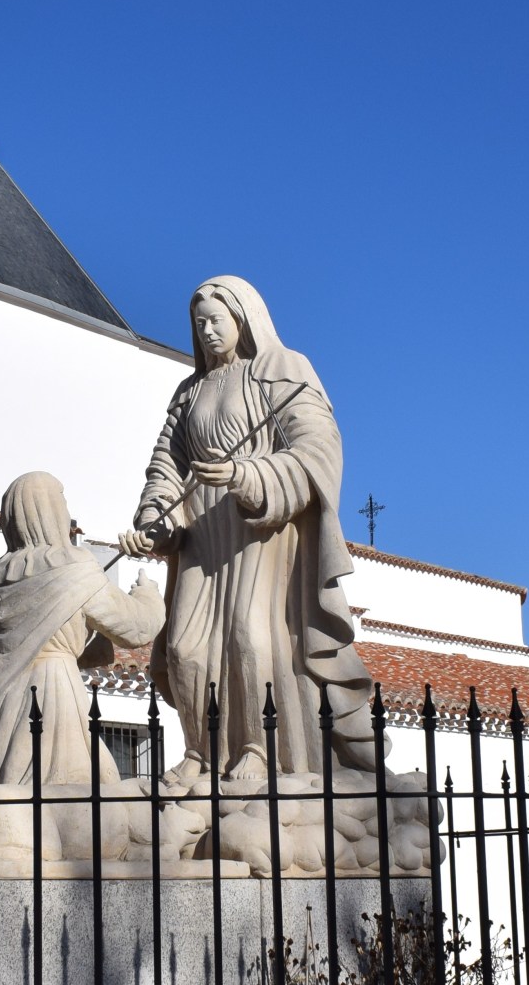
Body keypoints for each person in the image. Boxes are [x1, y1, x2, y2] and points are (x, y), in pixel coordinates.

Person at [120, 276, 376, 786]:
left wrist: (248, 475)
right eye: (199, 324)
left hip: (260, 525)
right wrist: (156, 519)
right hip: (201, 532)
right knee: (185, 649)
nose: (208, 330)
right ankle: (202, 753)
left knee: (249, 636)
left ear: (243, 319)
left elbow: (318, 448)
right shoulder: (188, 392)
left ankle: (260, 749)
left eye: (217, 320)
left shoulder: (281, 369)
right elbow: (166, 468)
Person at [0, 470, 165, 786]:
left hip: (5, 713)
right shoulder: (73, 565)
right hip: (55, 695)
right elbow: (137, 629)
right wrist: (147, 592)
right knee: (76, 796)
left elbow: (56, 634)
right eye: (62, 501)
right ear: (51, 510)